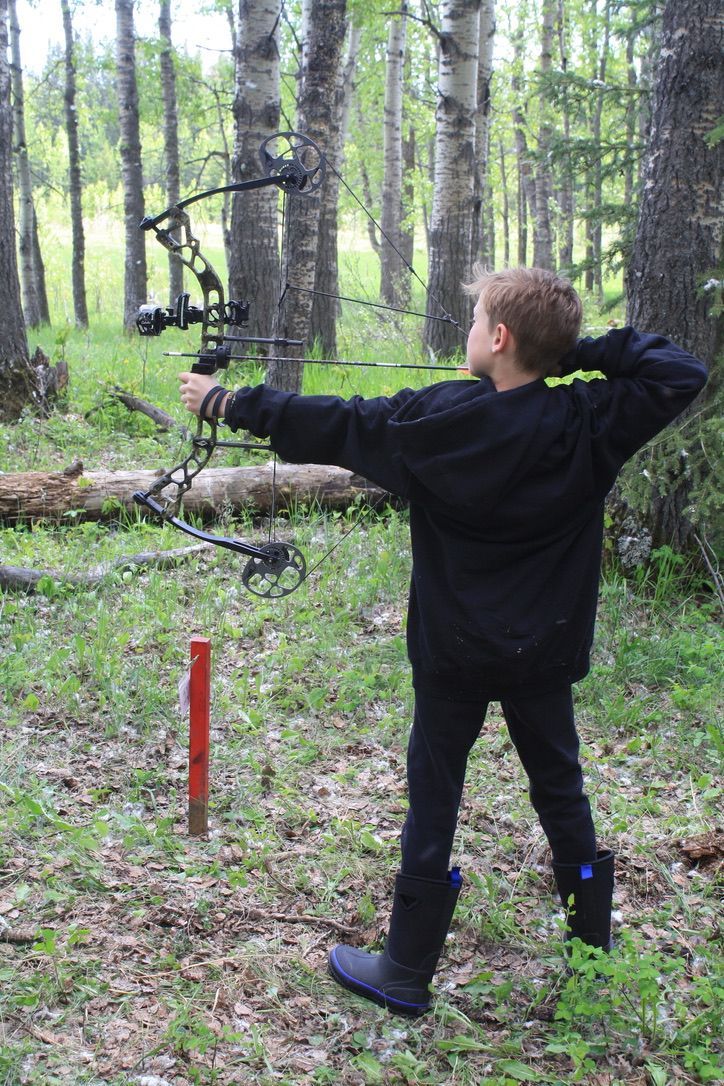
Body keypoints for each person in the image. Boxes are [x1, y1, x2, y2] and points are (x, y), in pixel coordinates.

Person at [179, 266, 707, 1018]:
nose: (467, 332)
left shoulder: (438, 419)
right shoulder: (591, 416)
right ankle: (593, 960)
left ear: (498, 339)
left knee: (434, 799)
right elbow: (679, 370)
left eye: (476, 321)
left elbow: (341, 422)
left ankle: (404, 967)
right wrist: (571, 352)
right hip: (544, 656)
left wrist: (231, 403)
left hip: (453, 653)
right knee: (562, 791)